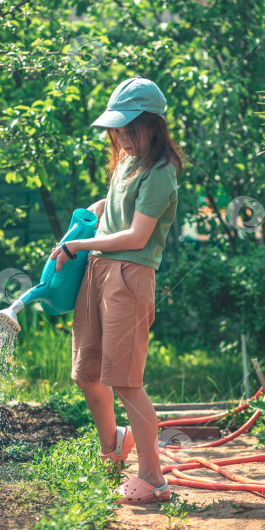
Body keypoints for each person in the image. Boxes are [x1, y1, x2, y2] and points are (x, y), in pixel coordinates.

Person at [50, 76, 187, 505]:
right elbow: (117, 210)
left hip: (128, 278)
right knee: (88, 374)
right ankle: (113, 447)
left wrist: (77, 243)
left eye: (128, 127)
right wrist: (95, 211)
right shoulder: (128, 161)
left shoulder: (162, 171)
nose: (120, 135)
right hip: (97, 271)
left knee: (125, 381)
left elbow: (135, 236)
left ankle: (153, 479)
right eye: (117, 127)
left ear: (151, 124)